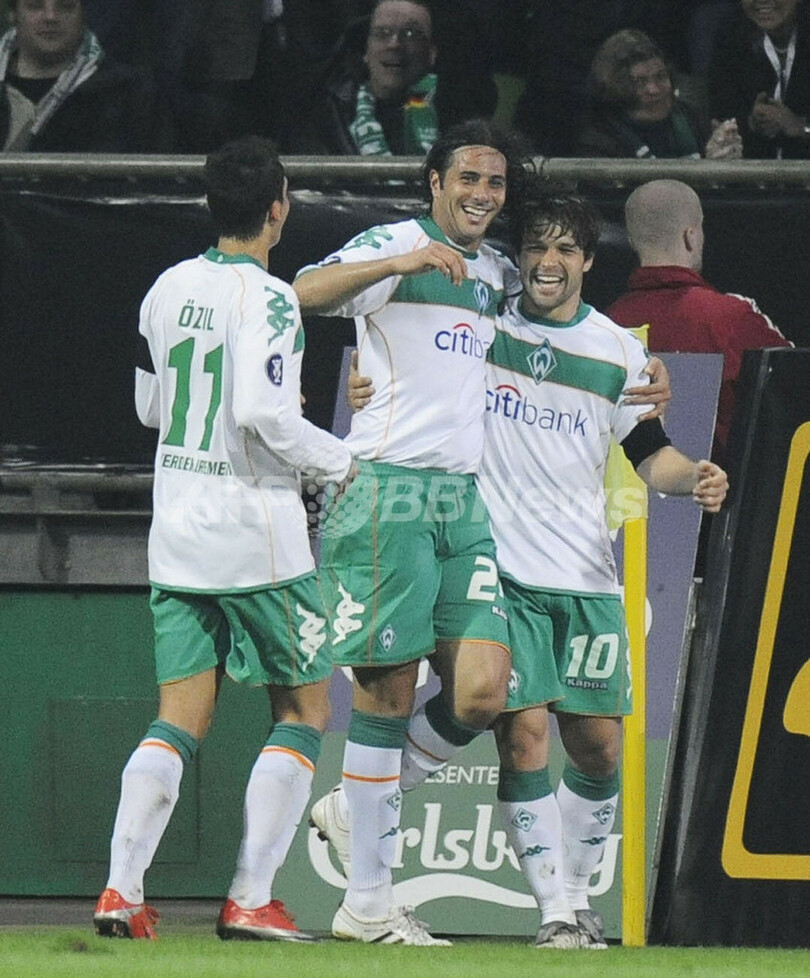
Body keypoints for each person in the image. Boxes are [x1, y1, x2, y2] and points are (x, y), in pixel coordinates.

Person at [293, 117, 671, 945]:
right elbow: (304, 292)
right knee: (388, 692)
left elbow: (554, 318)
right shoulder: (395, 243)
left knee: (482, 692)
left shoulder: (497, 273)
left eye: (494, 182)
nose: (482, 194)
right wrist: (395, 267)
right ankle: (368, 903)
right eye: (468, 178)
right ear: (435, 182)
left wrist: (646, 374)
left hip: (461, 502)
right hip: (389, 490)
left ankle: (357, 820)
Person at [346, 186, 728, 948]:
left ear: (587, 261)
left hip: (584, 572)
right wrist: (365, 376)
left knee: (599, 748)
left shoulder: (618, 351)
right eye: (536, 247)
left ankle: (569, 895)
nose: (548, 262)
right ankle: (556, 912)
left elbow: (649, 453)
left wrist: (695, 477)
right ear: (519, 257)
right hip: (498, 566)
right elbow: (411, 359)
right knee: (519, 735)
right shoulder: (483, 327)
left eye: (565, 249)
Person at [93, 135, 354, 942]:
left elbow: (150, 409)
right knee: (304, 709)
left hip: (177, 530)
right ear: (279, 209)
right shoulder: (271, 298)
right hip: (256, 534)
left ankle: (121, 891)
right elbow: (261, 413)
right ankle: (249, 897)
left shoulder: (166, 287)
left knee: (179, 715)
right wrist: (342, 460)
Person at [607, 179, 792, 466]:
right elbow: (795, 386)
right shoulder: (733, 317)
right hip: (716, 489)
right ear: (690, 237)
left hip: (623, 492)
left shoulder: (605, 325)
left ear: (632, 240)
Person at [285, 0, 495, 155]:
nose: (394, 44)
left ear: (432, 53)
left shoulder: (459, 117)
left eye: (411, 34)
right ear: (366, 51)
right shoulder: (327, 115)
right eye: (382, 33)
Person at [0, 0, 152, 152]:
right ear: (12, 14)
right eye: (35, 6)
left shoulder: (127, 93)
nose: (50, 17)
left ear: (84, 14)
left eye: (66, 6)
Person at [575, 28, 742, 159]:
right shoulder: (598, 140)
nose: (654, 90)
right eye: (639, 82)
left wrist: (723, 164)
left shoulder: (693, 119)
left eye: (660, 77)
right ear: (615, 88)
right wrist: (704, 174)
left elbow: (724, 187)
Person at [708, 0, 810, 158]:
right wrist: (751, 123)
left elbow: (798, 127)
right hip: (754, 170)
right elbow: (720, 116)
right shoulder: (730, 35)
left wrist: (802, 127)